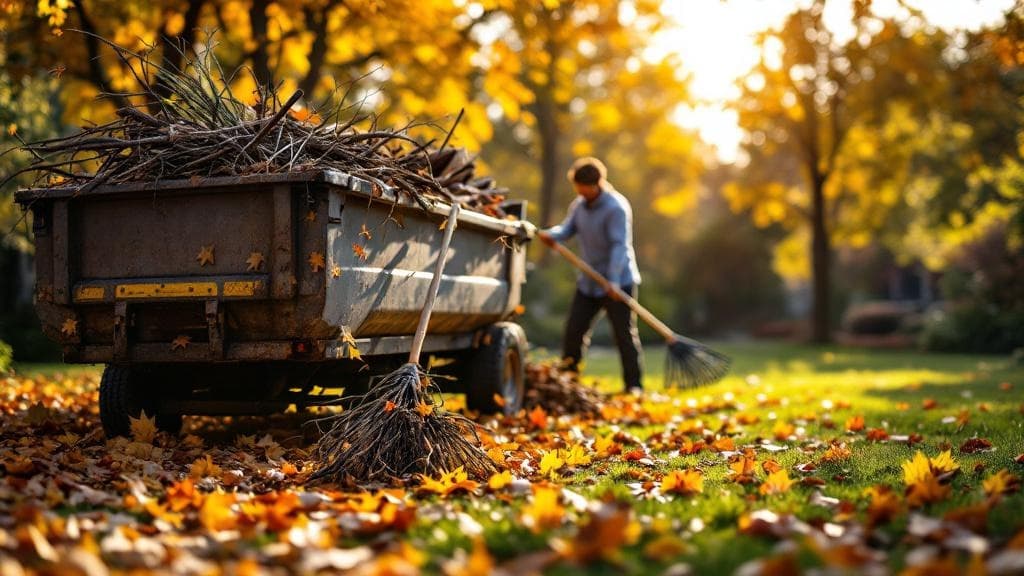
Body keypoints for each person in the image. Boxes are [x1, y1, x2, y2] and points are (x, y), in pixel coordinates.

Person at [537, 157, 644, 393]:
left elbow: (620, 246)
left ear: (597, 184)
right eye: (578, 188)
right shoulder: (579, 205)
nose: (580, 192)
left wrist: (614, 281)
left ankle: (634, 385)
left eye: (583, 188)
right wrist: (550, 234)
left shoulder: (616, 207)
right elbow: (567, 230)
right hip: (589, 282)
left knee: (623, 334)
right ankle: (568, 382)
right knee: (574, 330)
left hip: (618, 281)